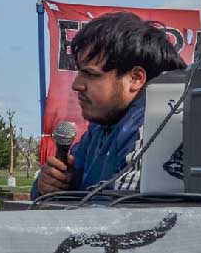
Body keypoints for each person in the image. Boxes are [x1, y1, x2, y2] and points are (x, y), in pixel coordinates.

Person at [31, 12, 187, 198]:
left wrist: (73, 195)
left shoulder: (157, 123)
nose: (77, 85)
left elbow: (119, 212)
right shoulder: (102, 124)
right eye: (79, 72)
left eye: (91, 74)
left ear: (135, 78)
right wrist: (49, 185)